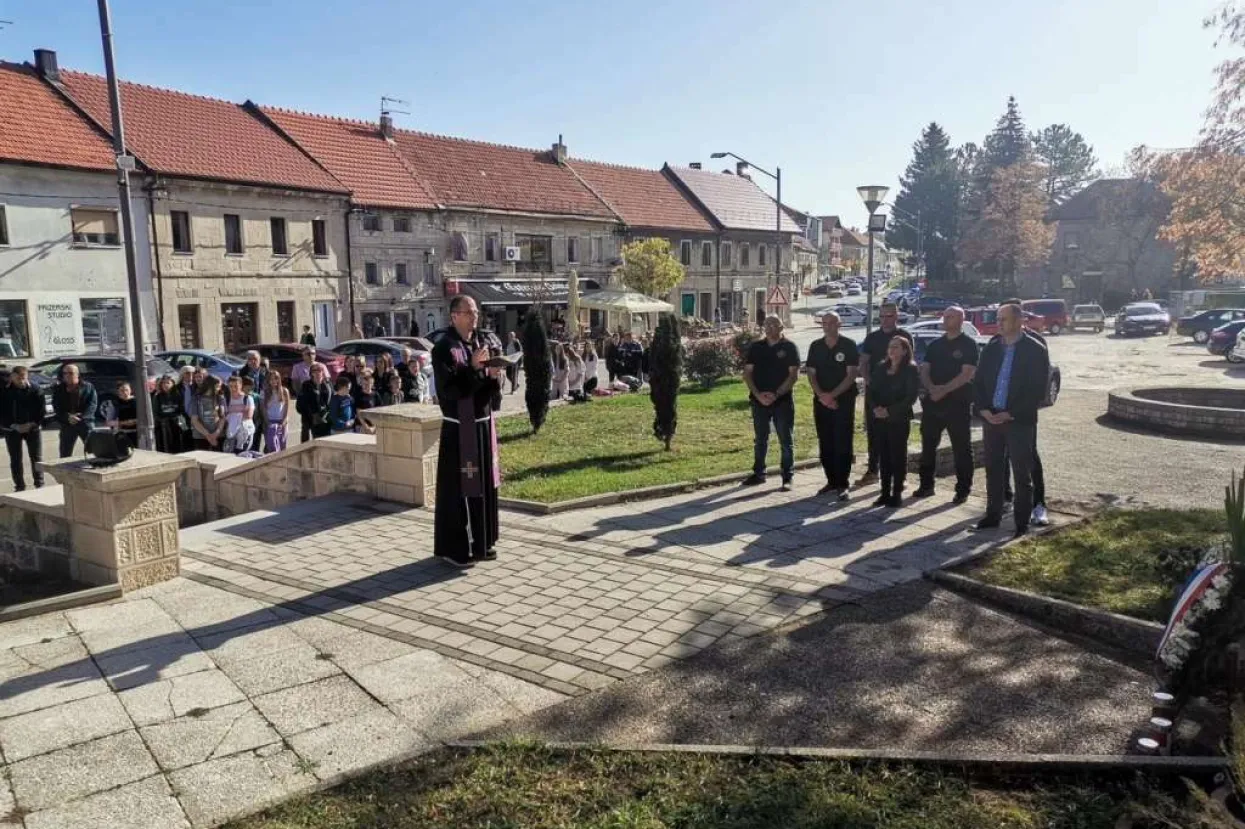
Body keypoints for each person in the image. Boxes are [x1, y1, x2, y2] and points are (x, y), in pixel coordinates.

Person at [431, 295, 503, 568]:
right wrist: (473, 369)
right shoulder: (444, 348)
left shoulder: (478, 343)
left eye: (476, 312)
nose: (475, 317)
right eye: (469, 312)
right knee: (458, 490)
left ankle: (481, 542)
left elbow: (482, 389)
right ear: (454, 316)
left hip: (482, 424)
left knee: (482, 486)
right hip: (459, 430)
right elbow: (449, 390)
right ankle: (456, 547)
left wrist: (492, 377)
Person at [973, 303, 1051, 538]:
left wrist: (1011, 412)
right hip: (992, 419)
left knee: (1021, 472)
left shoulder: (1035, 349)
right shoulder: (992, 348)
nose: (999, 323)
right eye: (998, 319)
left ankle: (1021, 522)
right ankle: (992, 515)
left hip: (1018, 420)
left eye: (1003, 319)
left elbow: (1037, 390)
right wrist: (984, 410)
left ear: (1018, 321)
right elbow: (979, 382)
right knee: (993, 469)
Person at [914, 306, 979, 504]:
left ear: (961, 320)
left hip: (957, 404)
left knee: (961, 448)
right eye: (944, 316)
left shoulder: (969, 344)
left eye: (950, 316)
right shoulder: (935, 345)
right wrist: (931, 388)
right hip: (933, 404)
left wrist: (944, 390)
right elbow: (925, 369)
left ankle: (962, 490)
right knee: (928, 445)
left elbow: (966, 374)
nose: (945, 319)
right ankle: (926, 485)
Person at [1000, 297, 1051, 527]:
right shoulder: (997, 342)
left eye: (1006, 318)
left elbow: (1038, 383)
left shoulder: (1035, 343)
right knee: (1002, 457)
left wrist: (1020, 408)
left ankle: (1038, 504)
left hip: (1022, 414)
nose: (1002, 322)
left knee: (1029, 458)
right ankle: (1005, 497)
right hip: (998, 412)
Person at [855, 303, 913, 489]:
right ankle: (873, 471)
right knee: (874, 435)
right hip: (876, 394)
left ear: (896, 316)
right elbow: (863, 362)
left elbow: (910, 362)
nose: (885, 320)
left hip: (897, 396)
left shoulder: (904, 336)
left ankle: (900, 476)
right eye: (882, 316)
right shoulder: (872, 338)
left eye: (889, 316)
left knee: (898, 439)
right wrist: (869, 381)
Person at [742, 315, 801, 491]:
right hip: (758, 400)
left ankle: (787, 476)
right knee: (760, 439)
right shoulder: (756, 347)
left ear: (781, 327)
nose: (769, 328)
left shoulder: (789, 347)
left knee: (785, 440)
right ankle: (759, 473)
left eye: (773, 325)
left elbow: (793, 375)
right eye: (766, 325)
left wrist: (776, 394)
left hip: (782, 401)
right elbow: (747, 373)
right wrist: (758, 395)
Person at [804, 311, 858, 499]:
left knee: (843, 441)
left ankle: (843, 483)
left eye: (832, 323)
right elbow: (811, 374)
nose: (827, 326)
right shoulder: (816, 346)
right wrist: (822, 396)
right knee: (825, 440)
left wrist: (832, 396)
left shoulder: (848, 345)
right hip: (821, 401)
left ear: (839, 324)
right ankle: (831, 481)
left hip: (843, 401)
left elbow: (851, 375)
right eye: (824, 323)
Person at [869, 337, 920, 508]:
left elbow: (910, 397)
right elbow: (871, 391)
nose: (892, 350)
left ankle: (896, 493)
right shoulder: (880, 368)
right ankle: (884, 493)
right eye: (890, 347)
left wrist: (889, 411)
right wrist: (876, 408)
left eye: (896, 347)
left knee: (897, 456)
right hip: (880, 418)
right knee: (884, 456)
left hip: (898, 419)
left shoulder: (910, 369)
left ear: (905, 350)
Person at [2, 366, 44, 490]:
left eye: (23, 378)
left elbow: (41, 410)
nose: (21, 381)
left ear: (27, 377)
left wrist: (33, 424)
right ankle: (19, 486)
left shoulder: (35, 389)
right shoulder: (4, 391)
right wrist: (13, 425)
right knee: (15, 459)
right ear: (12, 377)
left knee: (37, 458)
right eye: (18, 379)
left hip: (32, 428)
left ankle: (39, 484)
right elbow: (2, 413)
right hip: (12, 430)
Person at [52, 363, 98, 458]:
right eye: (65, 373)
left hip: (85, 423)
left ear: (77, 374)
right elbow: (57, 407)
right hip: (67, 424)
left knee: (94, 451)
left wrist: (80, 417)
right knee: (65, 455)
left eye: (70, 373)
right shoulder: (58, 389)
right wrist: (68, 417)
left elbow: (92, 405)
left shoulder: (88, 387)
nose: (67, 375)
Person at [296, 363, 333, 439]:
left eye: (319, 370)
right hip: (311, 416)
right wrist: (312, 414)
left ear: (322, 371)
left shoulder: (328, 384)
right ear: (311, 373)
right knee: (308, 438)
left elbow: (332, 399)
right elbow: (302, 402)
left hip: (326, 416)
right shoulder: (306, 385)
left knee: (326, 438)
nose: (317, 372)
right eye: (314, 370)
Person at [222, 375, 256, 454]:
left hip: (245, 434)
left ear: (241, 385)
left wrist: (232, 414)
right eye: (231, 386)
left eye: (236, 386)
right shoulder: (226, 400)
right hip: (230, 435)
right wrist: (241, 412)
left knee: (242, 455)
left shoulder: (248, 399)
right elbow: (224, 416)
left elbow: (249, 415)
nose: (233, 389)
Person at [152, 374, 186, 454]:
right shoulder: (158, 396)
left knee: (179, 445)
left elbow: (182, 410)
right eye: (164, 383)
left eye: (168, 383)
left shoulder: (178, 395)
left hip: (176, 423)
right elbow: (155, 413)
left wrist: (178, 420)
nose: (165, 385)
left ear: (173, 383)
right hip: (163, 425)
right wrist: (163, 420)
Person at [191, 376, 225, 451]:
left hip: (218, 436)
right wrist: (208, 435)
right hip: (200, 436)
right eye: (217, 386)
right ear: (209, 386)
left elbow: (222, 418)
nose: (219, 389)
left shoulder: (220, 398)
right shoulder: (196, 399)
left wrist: (216, 433)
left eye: (220, 386)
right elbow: (194, 420)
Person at [262, 370, 290, 453]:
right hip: (270, 421)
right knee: (272, 445)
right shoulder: (264, 392)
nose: (274, 381)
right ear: (268, 380)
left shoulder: (284, 391)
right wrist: (267, 422)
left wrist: (284, 421)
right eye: (271, 379)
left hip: (281, 421)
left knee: (282, 444)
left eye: (276, 378)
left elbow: (287, 408)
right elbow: (263, 409)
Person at [108, 381, 139, 447]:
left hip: (138, 433)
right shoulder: (114, 403)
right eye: (122, 391)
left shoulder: (138, 401)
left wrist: (135, 421)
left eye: (127, 390)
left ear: (130, 390)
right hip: (122, 433)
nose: (125, 392)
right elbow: (109, 422)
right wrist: (123, 423)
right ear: (118, 392)